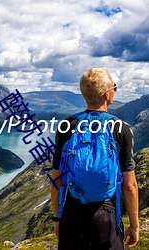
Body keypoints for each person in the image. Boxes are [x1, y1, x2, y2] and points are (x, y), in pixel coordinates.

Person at [51, 68, 139, 250]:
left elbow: (57, 179)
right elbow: (129, 185)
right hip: (106, 215)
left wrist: (57, 218)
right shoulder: (121, 129)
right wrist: (134, 225)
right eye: (115, 87)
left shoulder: (67, 125)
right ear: (107, 94)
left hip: (73, 212)